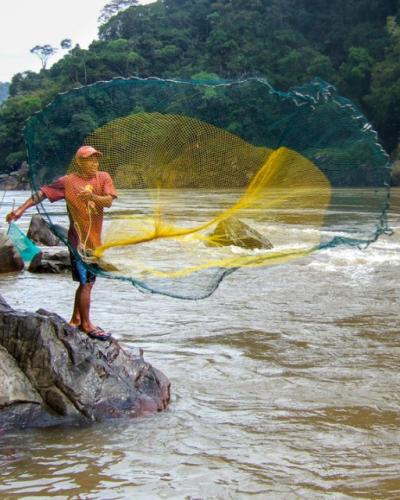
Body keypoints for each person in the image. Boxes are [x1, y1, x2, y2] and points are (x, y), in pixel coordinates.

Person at [6, 145, 117, 340]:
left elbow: (108, 201)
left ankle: (76, 319)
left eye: (96, 160)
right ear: (80, 162)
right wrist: (20, 211)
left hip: (94, 242)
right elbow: (41, 194)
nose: (94, 163)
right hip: (78, 243)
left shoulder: (103, 177)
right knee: (86, 283)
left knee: (87, 283)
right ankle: (87, 325)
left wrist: (92, 197)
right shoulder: (68, 182)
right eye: (89, 160)